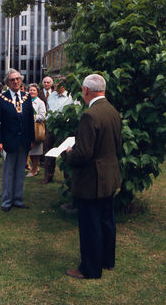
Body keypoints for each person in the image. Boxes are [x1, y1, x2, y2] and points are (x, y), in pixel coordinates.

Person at [65, 74, 122, 279]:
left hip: (93, 180)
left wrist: (69, 153)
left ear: (86, 90)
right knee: (107, 221)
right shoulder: (112, 110)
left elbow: (83, 154)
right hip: (109, 175)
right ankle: (107, 261)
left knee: (91, 225)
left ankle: (90, 268)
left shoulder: (90, 115)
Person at [0, 68, 35, 212]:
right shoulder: (1, 98)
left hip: (24, 141)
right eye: (12, 80)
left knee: (20, 172)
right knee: (8, 172)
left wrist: (32, 139)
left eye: (17, 79)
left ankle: (17, 199)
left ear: (21, 80)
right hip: (8, 141)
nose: (15, 82)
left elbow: (30, 119)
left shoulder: (26, 96)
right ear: (7, 83)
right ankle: (6, 201)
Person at [41, 78, 74, 184]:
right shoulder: (51, 96)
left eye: (58, 85)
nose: (56, 87)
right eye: (55, 85)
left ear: (64, 86)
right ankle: (48, 176)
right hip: (51, 127)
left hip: (64, 128)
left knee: (65, 152)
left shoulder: (71, 97)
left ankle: (68, 177)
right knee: (48, 151)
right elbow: (48, 110)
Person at [26, 84, 46, 177]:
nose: (32, 92)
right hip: (26, 129)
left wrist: (32, 117)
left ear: (37, 92)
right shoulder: (25, 101)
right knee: (29, 150)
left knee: (36, 151)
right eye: (30, 90)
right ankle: (34, 168)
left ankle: (34, 169)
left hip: (36, 129)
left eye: (34, 90)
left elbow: (43, 116)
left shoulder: (40, 102)